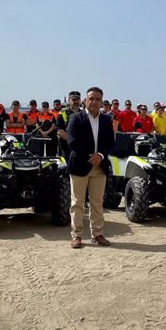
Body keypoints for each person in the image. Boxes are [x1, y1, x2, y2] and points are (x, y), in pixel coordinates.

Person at [67, 87, 115, 248]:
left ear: (101, 102)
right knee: (77, 203)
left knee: (97, 202)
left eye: (97, 99)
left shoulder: (107, 120)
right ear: (85, 101)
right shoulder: (75, 118)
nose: (94, 101)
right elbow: (72, 141)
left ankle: (98, 234)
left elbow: (110, 143)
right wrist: (90, 156)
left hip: (100, 167)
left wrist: (100, 156)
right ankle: (77, 235)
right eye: (91, 98)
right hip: (80, 165)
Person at [56, 91, 82, 160]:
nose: (76, 101)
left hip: (82, 149)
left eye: (77, 99)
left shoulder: (84, 114)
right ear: (68, 101)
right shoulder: (62, 114)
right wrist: (73, 141)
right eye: (73, 99)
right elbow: (60, 131)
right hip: (67, 148)